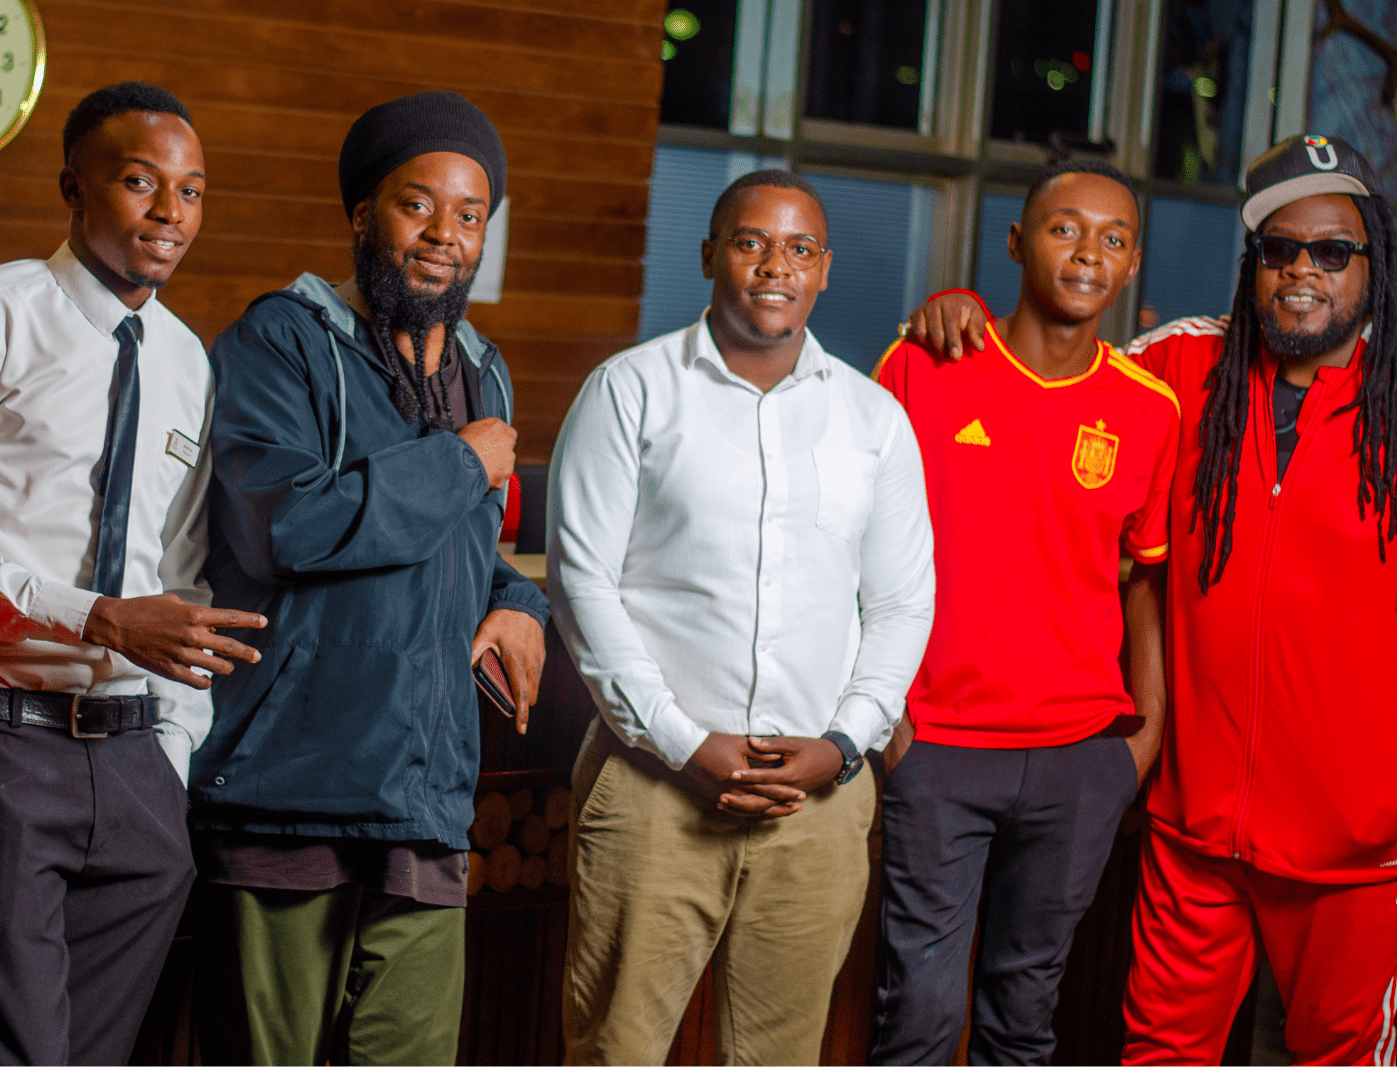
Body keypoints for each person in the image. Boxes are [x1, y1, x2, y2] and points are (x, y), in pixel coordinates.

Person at [904, 135, 1397, 1065]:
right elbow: (1054, 359)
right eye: (1280, 249)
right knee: (1159, 1054)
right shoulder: (1181, 365)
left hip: (1357, 848)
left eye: (1334, 251)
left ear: (1375, 263)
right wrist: (959, 313)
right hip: (1194, 826)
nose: (1303, 271)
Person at [0, 83, 267, 1065]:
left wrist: (171, 749)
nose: (170, 212)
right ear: (74, 187)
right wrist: (95, 616)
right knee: (16, 1048)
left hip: (136, 760)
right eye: (142, 183)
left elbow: (182, 567)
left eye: (192, 191)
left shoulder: (186, 359)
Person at [189, 90, 549, 1067]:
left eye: (469, 214)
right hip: (287, 793)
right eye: (415, 204)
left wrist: (517, 601)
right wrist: (461, 462)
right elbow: (282, 526)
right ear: (361, 212)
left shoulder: (482, 371)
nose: (443, 235)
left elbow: (462, 550)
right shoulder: (279, 340)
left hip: (424, 801)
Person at [547, 169, 935, 1066]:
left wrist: (845, 743)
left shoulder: (874, 419)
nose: (775, 266)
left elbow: (901, 601)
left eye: (800, 248)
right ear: (710, 254)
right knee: (614, 1053)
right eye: (752, 242)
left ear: (825, 269)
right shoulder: (629, 391)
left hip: (818, 804)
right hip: (653, 788)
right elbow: (582, 583)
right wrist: (684, 742)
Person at [868, 159, 1175, 1065]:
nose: (1087, 253)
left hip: (1081, 756)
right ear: (1016, 242)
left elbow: (1145, 578)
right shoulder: (923, 365)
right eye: (1064, 228)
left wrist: (1144, 736)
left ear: (1132, 264)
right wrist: (887, 718)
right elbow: (854, 546)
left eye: (1113, 239)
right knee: (917, 1014)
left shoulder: (1149, 409)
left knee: (1023, 1016)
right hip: (939, 746)